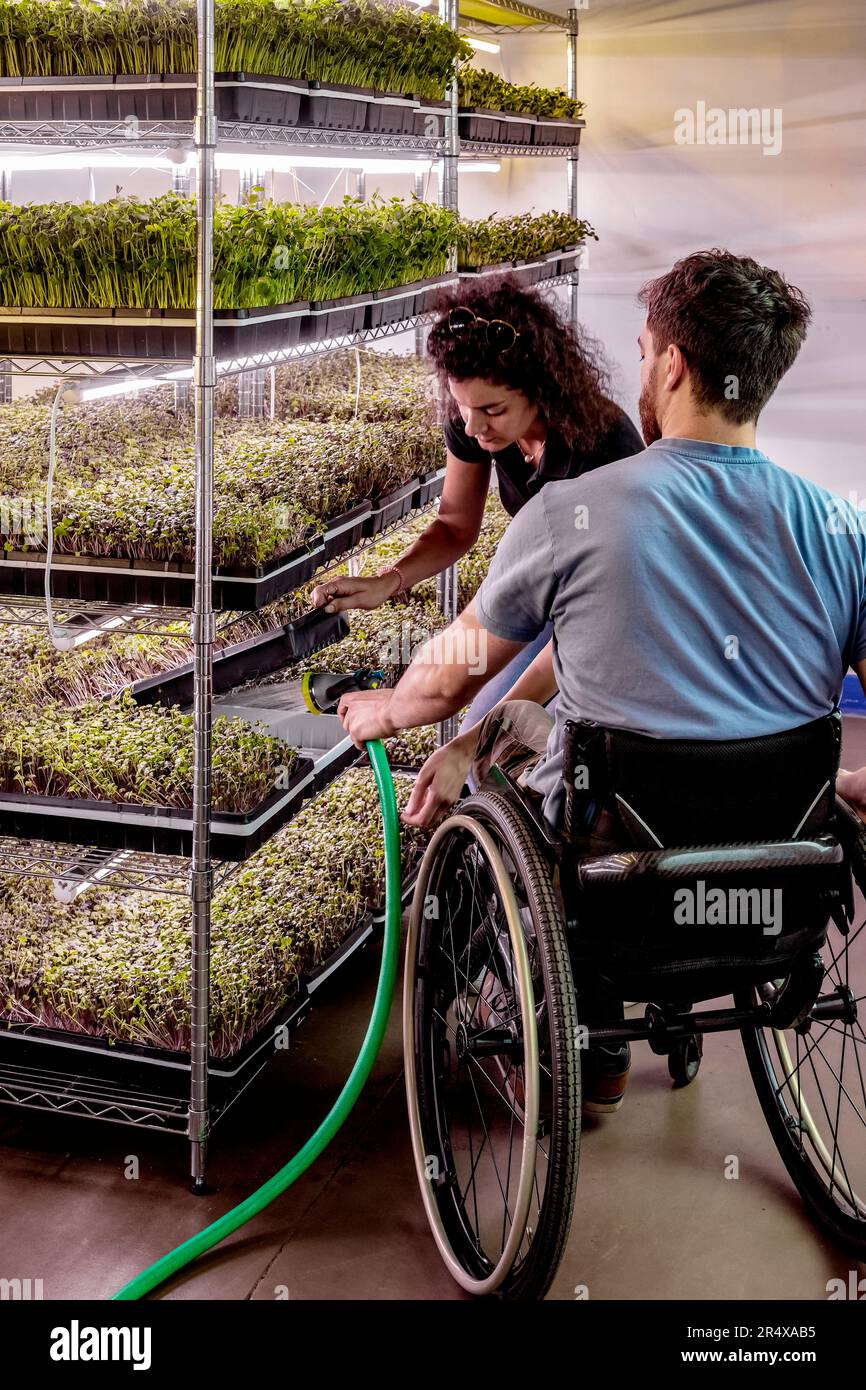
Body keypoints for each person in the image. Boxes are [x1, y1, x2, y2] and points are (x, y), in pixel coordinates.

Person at [336, 246, 866, 1112]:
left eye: (646, 345)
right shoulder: (843, 527)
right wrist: (846, 783)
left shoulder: (572, 513)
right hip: (784, 881)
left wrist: (386, 711)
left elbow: (452, 676)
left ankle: (549, 1030)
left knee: (497, 793)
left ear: (673, 362)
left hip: (620, 883)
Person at [311, 275, 643, 727]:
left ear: (541, 388)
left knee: (488, 735)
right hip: (545, 597)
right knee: (483, 725)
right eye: (462, 406)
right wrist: (387, 582)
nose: (472, 427)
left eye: (491, 410)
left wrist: (490, 716)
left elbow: (602, 610)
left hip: (606, 610)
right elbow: (454, 525)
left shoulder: (603, 445)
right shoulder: (472, 423)